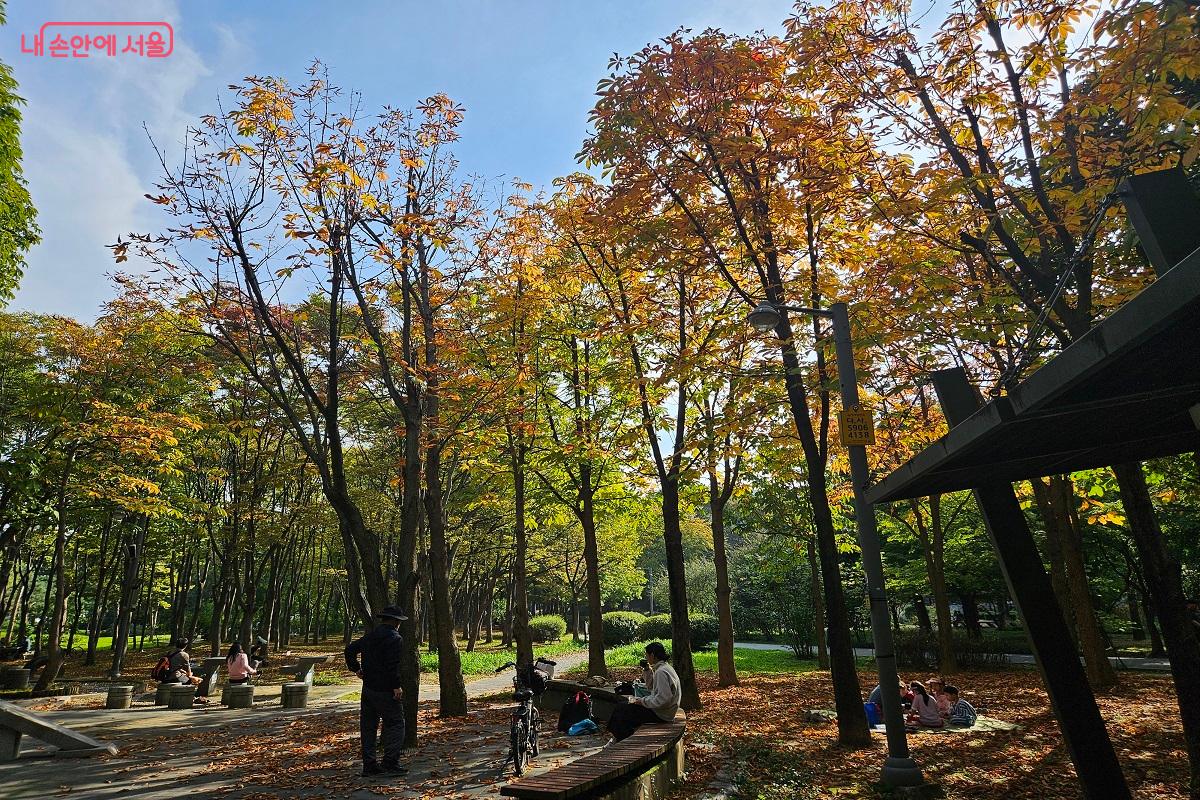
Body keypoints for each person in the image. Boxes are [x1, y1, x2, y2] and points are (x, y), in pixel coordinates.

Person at [345, 605, 409, 778]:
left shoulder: (369, 637)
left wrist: (356, 668)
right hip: (386, 690)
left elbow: (350, 649)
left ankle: (370, 765)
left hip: (368, 689)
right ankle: (390, 762)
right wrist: (396, 686)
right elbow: (392, 666)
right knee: (396, 724)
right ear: (396, 621)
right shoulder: (395, 638)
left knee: (368, 727)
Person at [607, 642, 681, 742]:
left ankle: (623, 740)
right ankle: (619, 738)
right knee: (622, 707)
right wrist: (647, 670)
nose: (646, 657)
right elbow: (651, 687)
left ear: (653, 655)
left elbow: (663, 699)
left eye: (647, 655)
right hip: (665, 710)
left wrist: (642, 701)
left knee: (622, 711)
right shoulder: (664, 668)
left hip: (662, 714)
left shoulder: (661, 672)